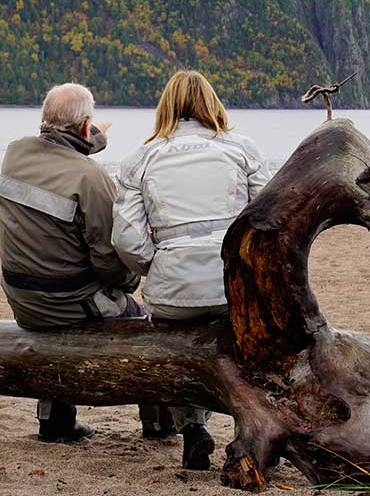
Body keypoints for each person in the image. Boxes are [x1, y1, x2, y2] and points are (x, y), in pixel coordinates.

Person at [112, 70, 272, 470]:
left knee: (179, 349)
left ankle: (192, 428)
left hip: (172, 290)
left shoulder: (140, 158)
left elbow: (126, 239)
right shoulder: (242, 150)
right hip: (229, 289)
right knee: (248, 350)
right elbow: (268, 221)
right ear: (212, 104)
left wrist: (158, 263)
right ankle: (251, 430)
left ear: (166, 107)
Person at [0, 82, 173, 443]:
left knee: (58, 291)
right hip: (68, 305)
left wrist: (92, 138)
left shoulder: (14, 154)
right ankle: (160, 425)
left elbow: (60, 153)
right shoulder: (92, 179)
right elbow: (110, 262)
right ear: (83, 128)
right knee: (143, 325)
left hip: (22, 299)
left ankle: (55, 422)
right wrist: (127, 284)